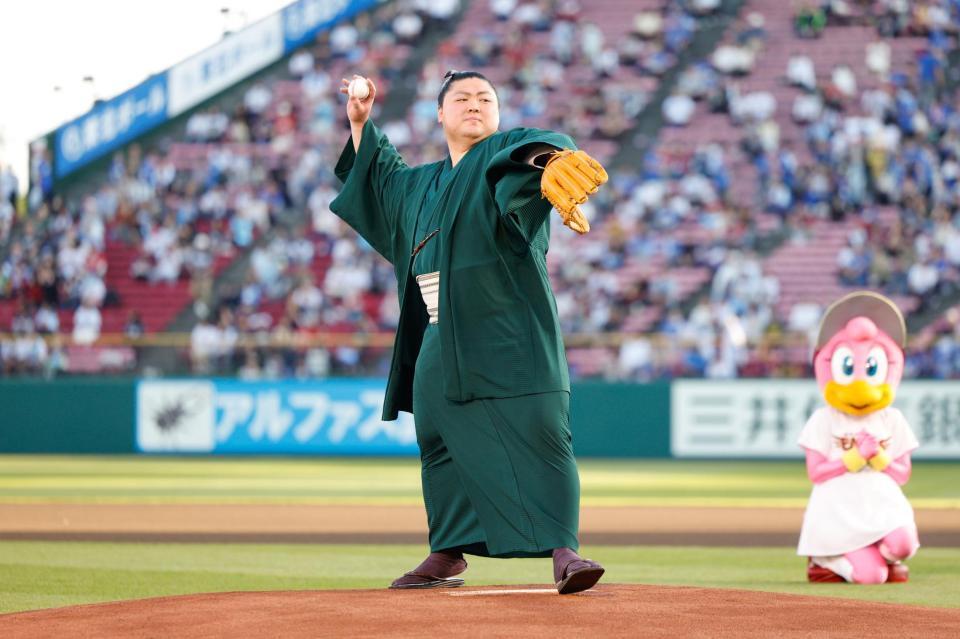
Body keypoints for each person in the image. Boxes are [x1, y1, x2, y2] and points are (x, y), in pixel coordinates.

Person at [328, 70, 608, 594]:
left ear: (498, 113)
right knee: (438, 438)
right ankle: (447, 552)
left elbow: (536, 151)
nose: (474, 104)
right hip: (439, 327)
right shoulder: (419, 185)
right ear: (440, 113)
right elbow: (380, 176)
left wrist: (553, 161)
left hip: (510, 324)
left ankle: (564, 552)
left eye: (485, 98)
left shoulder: (506, 155)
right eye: (461, 97)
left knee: (543, 431)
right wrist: (361, 121)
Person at [798, 292, 919, 584]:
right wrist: (854, 458)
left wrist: (877, 456)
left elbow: (903, 474)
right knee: (872, 577)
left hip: (881, 502)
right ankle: (825, 559)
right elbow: (816, 472)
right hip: (839, 507)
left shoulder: (892, 418)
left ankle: (879, 551)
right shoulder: (824, 419)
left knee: (903, 544)